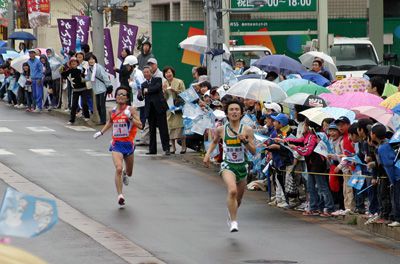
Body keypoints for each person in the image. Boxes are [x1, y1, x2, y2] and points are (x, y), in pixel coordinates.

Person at [204, 99, 256, 232]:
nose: (234, 112)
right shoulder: (221, 129)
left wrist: (244, 141)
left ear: (241, 113)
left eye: (237, 109)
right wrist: (207, 155)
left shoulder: (247, 130)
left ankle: (231, 214)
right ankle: (234, 222)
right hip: (228, 165)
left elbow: (253, 151)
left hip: (242, 166)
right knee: (232, 190)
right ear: (226, 113)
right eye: (231, 110)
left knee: (238, 200)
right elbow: (215, 142)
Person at [93, 87, 143, 207]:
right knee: (119, 168)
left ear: (127, 98)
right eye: (119, 94)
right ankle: (120, 195)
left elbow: (140, 125)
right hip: (117, 144)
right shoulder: (112, 111)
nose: (121, 96)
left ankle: (126, 174)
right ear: (115, 97)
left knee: (129, 172)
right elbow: (110, 122)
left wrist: (130, 117)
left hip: (129, 145)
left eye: (123, 95)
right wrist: (101, 132)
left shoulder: (131, 110)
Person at [139, 66, 170, 155]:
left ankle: (166, 148)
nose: (146, 74)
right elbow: (141, 97)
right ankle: (152, 150)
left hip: (159, 108)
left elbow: (156, 88)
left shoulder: (158, 79)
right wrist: (140, 95)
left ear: (151, 72)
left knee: (163, 129)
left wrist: (147, 90)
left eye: (147, 72)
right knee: (151, 130)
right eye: (144, 72)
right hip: (150, 109)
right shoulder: (143, 84)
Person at [162, 66, 186, 154]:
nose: (168, 74)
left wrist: (175, 91)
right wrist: (164, 92)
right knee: (170, 127)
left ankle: (183, 146)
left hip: (178, 107)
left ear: (173, 73)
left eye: (169, 72)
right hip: (169, 107)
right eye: (166, 73)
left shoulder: (179, 82)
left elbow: (184, 94)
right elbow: (164, 98)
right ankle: (173, 147)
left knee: (180, 126)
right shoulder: (164, 83)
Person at [61, 57, 90, 125]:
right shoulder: (69, 71)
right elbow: (62, 74)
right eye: (72, 62)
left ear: (77, 63)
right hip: (75, 90)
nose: (73, 63)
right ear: (70, 64)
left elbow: (85, 75)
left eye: (75, 62)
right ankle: (72, 119)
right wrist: (64, 68)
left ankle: (87, 116)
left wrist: (83, 72)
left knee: (84, 103)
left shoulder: (80, 69)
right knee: (74, 105)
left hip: (83, 89)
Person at [86, 54, 112, 125]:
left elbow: (105, 76)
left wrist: (109, 85)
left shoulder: (99, 67)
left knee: (102, 105)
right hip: (96, 90)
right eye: (89, 59)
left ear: (95, 59)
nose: (91, 61)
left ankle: (103, 120)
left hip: (102, 89)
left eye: (92, 59)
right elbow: (87, 78)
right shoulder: (89, 69)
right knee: (98, 105)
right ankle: (102, 119)